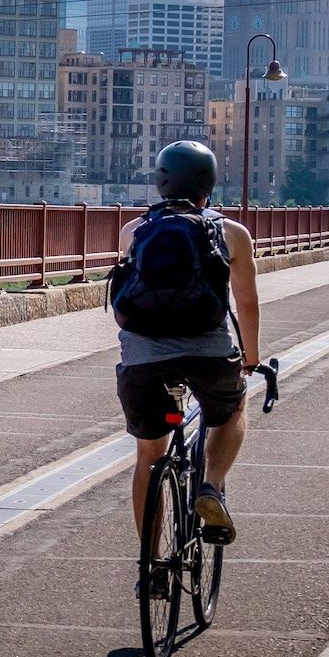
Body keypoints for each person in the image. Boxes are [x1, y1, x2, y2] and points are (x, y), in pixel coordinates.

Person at [114, 140, 262, 560]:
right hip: (208, 353)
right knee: (233, 408)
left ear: (160, 183)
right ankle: (212, 485)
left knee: (149, 454)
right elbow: (246, 304)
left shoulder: (135, 230)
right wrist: (250, 359)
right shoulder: (232, 234)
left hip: (143, 358)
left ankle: (151, 562)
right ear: (209, 184)